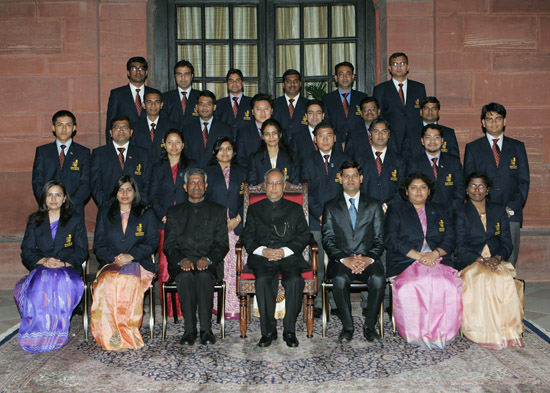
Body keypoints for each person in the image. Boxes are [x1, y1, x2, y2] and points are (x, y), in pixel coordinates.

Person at [385, 172, 462, 350]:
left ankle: (442, 332)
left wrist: (434, 254)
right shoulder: (396, 209)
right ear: (406, 191)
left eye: (423, 187)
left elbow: (450, 238)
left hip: (437, 259)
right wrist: (420, 257)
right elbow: (391, 239)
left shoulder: (441, 209)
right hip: (406, 260)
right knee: (413, 285)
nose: (418, 191)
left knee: (446, 284)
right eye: (414, 187)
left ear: (429, 191)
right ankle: (415, 332)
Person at [241, 168, 311, 348]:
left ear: (284, 186)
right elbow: (247, 236)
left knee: (295, 280)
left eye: (278, 183)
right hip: (262, 256)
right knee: (263, 280)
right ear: (265, 186)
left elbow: (304, 236)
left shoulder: (295, 209)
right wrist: (262, 251)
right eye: (270, 183)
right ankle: (268, 331)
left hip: (288, 256)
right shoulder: (255, 209)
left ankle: (289, 330)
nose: (274, 187)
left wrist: (285, 251)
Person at [15, 180, 86, 353]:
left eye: (58, 195)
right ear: (44, 198)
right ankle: (37, 334)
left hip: (66, 268)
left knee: (60, 282)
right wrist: (44, 260)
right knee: (39, 285)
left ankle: (57, 333)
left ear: (64, 199)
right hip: (43, 267)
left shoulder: (75, 220)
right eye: (49, 195)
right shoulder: (34, 220)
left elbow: (82, 250)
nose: (53, 199)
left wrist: (62, 263)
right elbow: (27, 250)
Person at [455, 172, 524, 349]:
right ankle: (481, 330)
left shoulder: (499, 210)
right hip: (471, 261)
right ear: (466, 190)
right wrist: (480, 260)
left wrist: (497, 258)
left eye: (481, 186)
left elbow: (507, 242)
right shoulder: (460, 212)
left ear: (488, 190)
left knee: (502, 278)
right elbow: (459, 245)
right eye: (472, 186)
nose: (476, 190)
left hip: (496, 258)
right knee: (482, 279)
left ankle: (506, 329)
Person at [91, 175, 158, 350]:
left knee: (127, 281)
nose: (125, 193)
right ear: (115, 193)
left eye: (129, 189)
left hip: (139, 263)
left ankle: (127, 332)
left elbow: (152, 242)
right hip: (111, 262)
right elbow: (98, 244)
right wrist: (116, 258)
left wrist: (131, 256)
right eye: (121, 190)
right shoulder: (105, 213)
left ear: (135, 192)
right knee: (108, 282)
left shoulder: (146, 213)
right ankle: (109, 333)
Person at [164, 168, 229, 346]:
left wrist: (208, 259)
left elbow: (222, 244)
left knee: (203, 275)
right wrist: (180, 260)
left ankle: (206, 331)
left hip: (209, 263)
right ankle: (189, 331)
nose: (196, 186)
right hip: (182, 262)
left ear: (206, 186)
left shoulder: (218, 211)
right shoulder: (174, 212)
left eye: (200, 182)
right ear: (185, 187)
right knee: (185, 276)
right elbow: (169, 245)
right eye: (192, 182)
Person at [322, 161, 385, 342]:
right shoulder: (331, 206)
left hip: (369, 259)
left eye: (354, 176)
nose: (351, 179)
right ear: (340, 179)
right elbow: (328, 240)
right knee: (340, 279)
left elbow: (380, 239)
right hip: (341, 261)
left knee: (378, 279)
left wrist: (368, 259)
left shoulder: (374, 205)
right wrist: (345, 259)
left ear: (361, 178)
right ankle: (348, 327)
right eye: (346, 176)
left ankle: (370, 326)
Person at [464, 102, 530, 266]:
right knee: (485, 260)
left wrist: (510, 208)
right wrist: (483, 209)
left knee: (509, 259)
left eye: (498, 119)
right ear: (483, 122)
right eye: (489, 119)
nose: (494, 123)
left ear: (504, 121)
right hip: (483, 213)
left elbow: (523, 181)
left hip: (511, 213)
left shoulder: (517, 147)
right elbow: (470, 183)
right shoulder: (473, 148)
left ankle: (508, 289)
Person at [300, 122, 350, 316]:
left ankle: (339, 303)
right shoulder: (307, 160)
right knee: (317, 265)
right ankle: (319, 303)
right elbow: (306, 192)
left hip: (341, 221)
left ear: (335, 138)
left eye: (329, 135)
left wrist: (333, 216)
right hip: (315, 220)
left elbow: (349, 189)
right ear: (315, 139)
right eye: (321, 136)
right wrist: (320, 215)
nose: (325, 139)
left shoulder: (345, 160)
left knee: (340, 262)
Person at [150, 129, 196, 318]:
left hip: (188, 224)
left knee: (186, 265)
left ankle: (186, 308)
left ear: (183, 145)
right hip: (164, 224)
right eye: (170, 142)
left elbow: (196, 193)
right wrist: (163, 216)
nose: (174, 146)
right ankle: (169, 310)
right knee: (165, 267)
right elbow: (152, 196)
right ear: (164, 145)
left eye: (177, 142)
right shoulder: (157, 168)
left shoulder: (191, 166)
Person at [205, 137, 247, 319]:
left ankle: (237, 307)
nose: (225, 152)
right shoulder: (207, 172)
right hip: (215, 227)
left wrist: (238, 219)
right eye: (220, 149)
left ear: (234, 151)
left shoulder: (243, 171)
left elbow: (249, 199)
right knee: (219, 266)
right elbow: (203, 201)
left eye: (228, 148)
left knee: (236, 267)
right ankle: (218, 306)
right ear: (215, 152)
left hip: (237, 226)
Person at [32, 110, 91, 214]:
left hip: (74, 210)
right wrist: (47, 203)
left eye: (68, 125)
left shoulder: (83, 152)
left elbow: (86, 184)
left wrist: (70, 204)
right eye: (60, 125)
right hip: (48, 209)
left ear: (74, 128)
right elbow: (37, 181)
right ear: (53, 127)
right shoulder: (43, 151)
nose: (64, 129)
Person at [373, 52, 426, 158]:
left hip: (414, 139)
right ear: (390, 68)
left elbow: (423, 114)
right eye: (395, 64)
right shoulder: (380, 89)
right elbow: (378, 116)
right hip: (392, 139)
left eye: (402, 63)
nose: (398, 67)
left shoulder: (419, 88)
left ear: (408, 67)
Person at [91, 115, 152, 208]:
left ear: (131, 132)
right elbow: (95, 184)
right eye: (117, 128)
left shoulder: (143, 154)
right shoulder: (99, 153)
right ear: (110, 132)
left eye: (125, 127)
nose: (121, 131)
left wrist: (138, 204)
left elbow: (147, 182)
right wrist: (106, 205)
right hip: (108, 209)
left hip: (137, 210)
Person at [406, 124, 465, 212]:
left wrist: (449, 210)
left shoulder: (454, 162)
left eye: (436, 137)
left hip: (451, 213)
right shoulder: (413, 163)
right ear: (422, 141)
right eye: (428, 137)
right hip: (422, 213)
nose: (432, 141)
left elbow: (460, 189)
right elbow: (410, 191)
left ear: (442, 140)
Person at [355, 118, 406, 212]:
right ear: (370, 135)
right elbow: (355, 187)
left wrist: (387, 205)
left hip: (392, 211)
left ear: (389, 134)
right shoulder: (359, 159)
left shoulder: (399, 160)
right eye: (376, 131)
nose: (380, 134)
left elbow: (402, 188)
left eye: (384, 131)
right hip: (365, 211)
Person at [105, 56, 153, 143]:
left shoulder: (154, 94)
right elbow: (110, 123)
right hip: (126, 144)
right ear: (128, 72)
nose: (138, 71)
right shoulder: (117, 94)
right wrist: (110, 148)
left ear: (146, 72)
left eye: (141, 68)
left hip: (149, 144)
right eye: (134, 68)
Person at [183, 90, 233, 169]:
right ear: (196, 107)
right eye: (201, 104)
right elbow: (186, 155)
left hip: (218, 173)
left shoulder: (225, 129)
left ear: (214, 107)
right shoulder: (187, 129)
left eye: (208, 104)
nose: (204, 107)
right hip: (195, 174)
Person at [322, 61, 368, 144]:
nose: (345, 77)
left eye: (348, 73)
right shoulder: (327, 99)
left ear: (353, 76)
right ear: (336, 77)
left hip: (359, 144)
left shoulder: (362, 97)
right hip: (336, 145)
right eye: (341, 74)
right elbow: (326, 123)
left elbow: (366, 122)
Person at [131, 88, 179, 165]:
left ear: (161, 105)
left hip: (164, 169)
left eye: (156, 102)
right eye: (149, 102)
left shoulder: (171, 127)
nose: (153, 106)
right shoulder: (135, 127)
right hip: (142, 170)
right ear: (143, 105)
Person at [247, 119, 300, 185]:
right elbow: (252, 183)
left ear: (280, 134)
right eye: (267, 134)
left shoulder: (291, 156)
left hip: (286, 194)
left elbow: (295, 183)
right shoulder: (255, 158)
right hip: (262, 194)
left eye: (274, 133)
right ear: (262, 137)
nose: (271, 137)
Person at [236, 93, 274, 168]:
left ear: (272, 111)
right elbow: (240, 159)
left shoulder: (280, 131)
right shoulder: (243, 133)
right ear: (252, 111)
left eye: (266, 109)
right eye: (258, 109)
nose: (263, 113)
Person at [162, 60, 200, 129]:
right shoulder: (165, 98)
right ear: (175, 76)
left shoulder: (200, 97)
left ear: (192, 76)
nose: (183, 77)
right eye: (179, 74)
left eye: (186, 74)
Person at [215, 68, 253, 138]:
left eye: (237, 80)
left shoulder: (252, 103)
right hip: (226, 145)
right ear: (227, 84)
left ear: (243, 83)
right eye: (231, 80)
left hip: (247, 144)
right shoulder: (219, 104)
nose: (234, 83)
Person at [272, 69, 308, 143]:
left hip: (303, 148)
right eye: (288, 81)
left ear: (300, 83)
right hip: (279, 148)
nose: (292, 84)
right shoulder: (274, 104)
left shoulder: (308, 104)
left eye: (295, 81)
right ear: (283, 84)